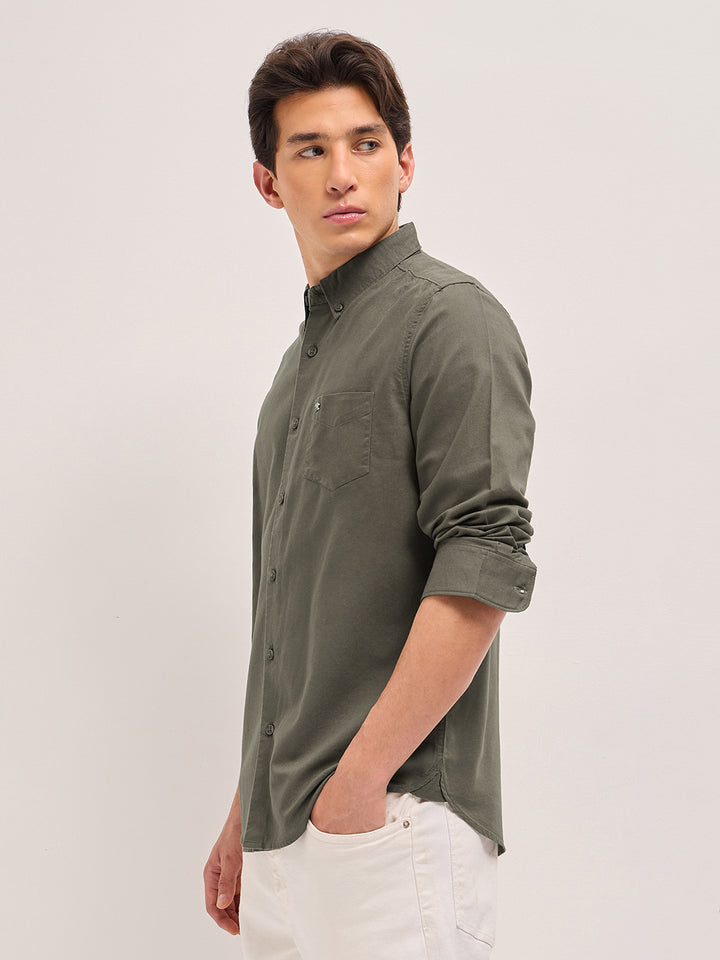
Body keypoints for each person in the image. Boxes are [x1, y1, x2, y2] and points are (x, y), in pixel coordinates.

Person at [203, 29, 537, 959]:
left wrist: (358, 788)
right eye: (310, 150)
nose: (343, 174)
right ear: (269, 182)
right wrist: (248, 807)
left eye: (365, 143)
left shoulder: (451, 318)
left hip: (391, 821)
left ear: (406, 163)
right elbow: (294, 617)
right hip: (286, 835)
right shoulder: (294, 373)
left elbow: (484, 560)